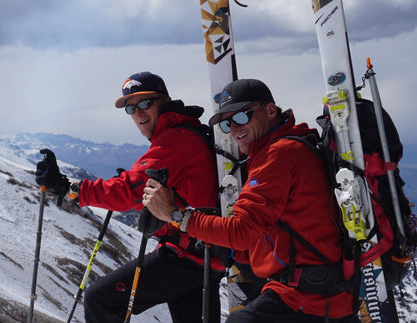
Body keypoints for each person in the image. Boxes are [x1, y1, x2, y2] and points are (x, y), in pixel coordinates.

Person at [142, 79, 354, 322]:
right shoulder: (291, 145)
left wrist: (176, 215)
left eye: (241, 117)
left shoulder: (278, 156)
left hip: (306, 297)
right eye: (226, 123)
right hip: (320, 292)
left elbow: (242, 230)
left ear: (270, 110)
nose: (233, 128)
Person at [35, 71, 226, 323]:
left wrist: (69, 188)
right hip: (203, 255)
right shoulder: (181, 133)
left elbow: (129, 191)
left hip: (185, 257)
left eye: (145, 103)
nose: (138, 113)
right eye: (131, 109)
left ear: (164, 101)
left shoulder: (175, 141)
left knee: (100, 299)